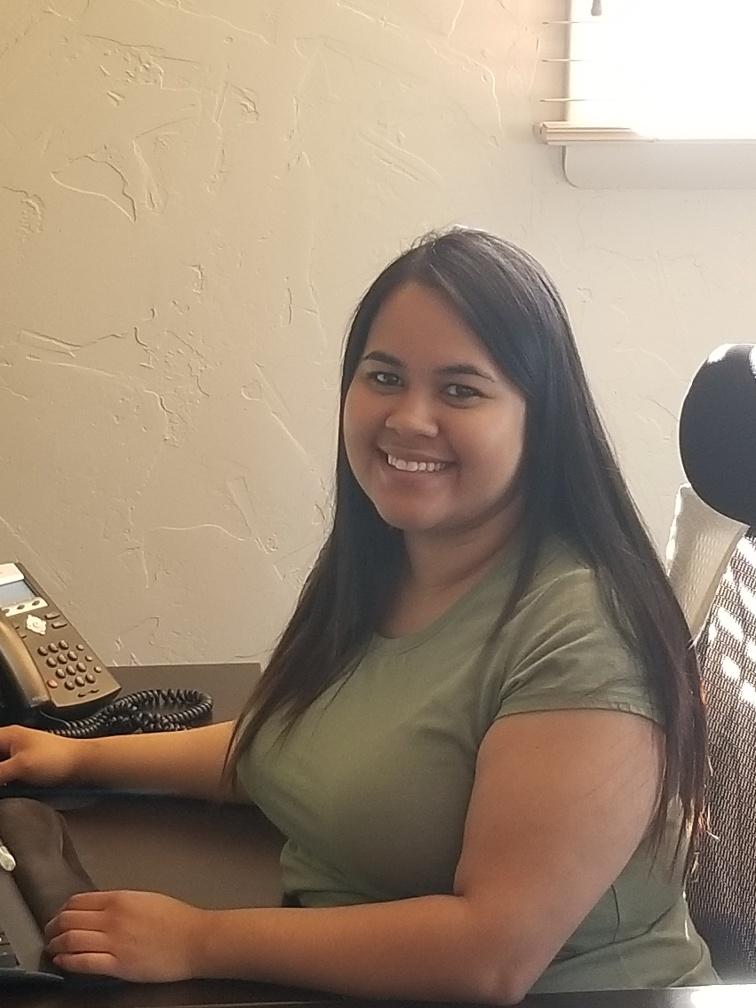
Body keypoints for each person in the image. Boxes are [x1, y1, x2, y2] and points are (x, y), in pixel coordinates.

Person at [0, 228, 717, 1002]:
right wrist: (72, 759)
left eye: (461, 389)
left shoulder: (585, 632)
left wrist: (196, 936)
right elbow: (298, 747)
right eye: (383, 376)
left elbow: (489, 957)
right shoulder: (388, 566)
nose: (408, 418)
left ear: (539, 421)